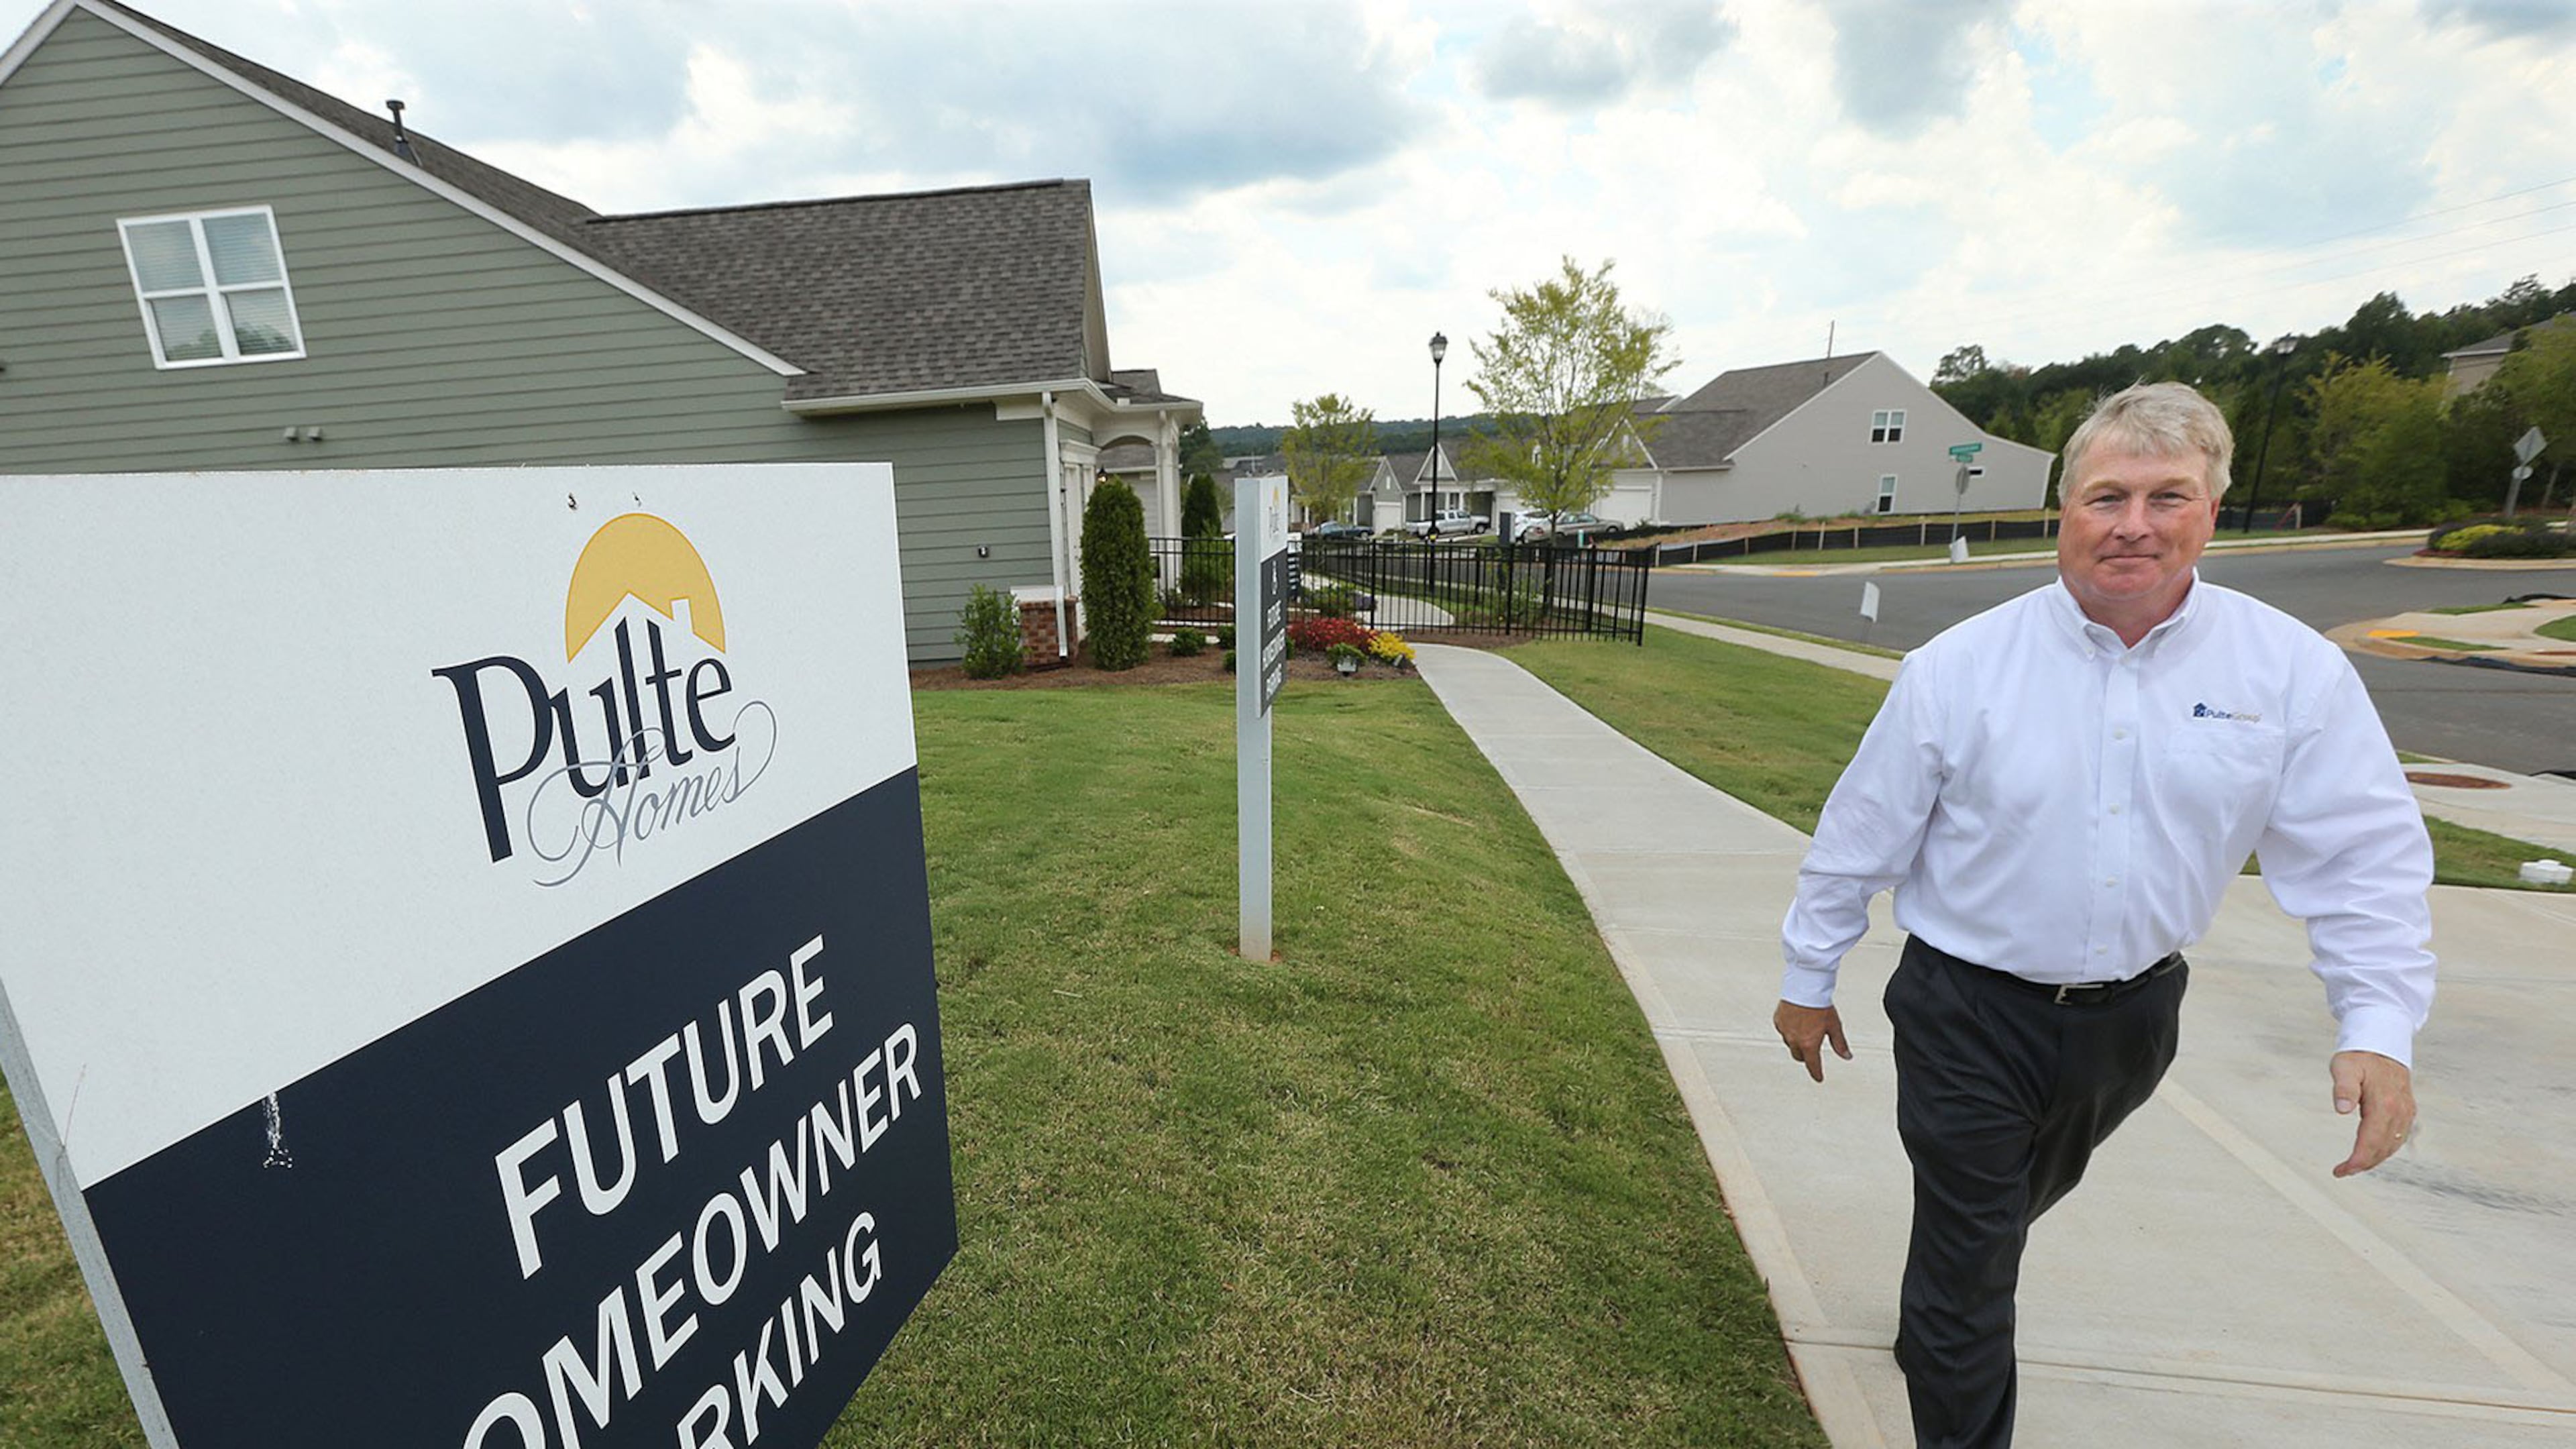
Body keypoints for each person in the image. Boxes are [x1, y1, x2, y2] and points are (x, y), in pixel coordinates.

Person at [1772, 380, 2434, 1449]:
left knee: (1987, 1229)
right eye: (2106, 497)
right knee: (1975, 1261)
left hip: (2131, 1025)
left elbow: (2365, 861)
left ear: (2212, 511)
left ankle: (1946, 1292)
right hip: (1964, 1010)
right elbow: (1859, 840)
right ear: (2064, 512)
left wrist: (2379, 1029)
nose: (2134, 526)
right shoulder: (1959, 671)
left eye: (2167, 497)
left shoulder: (2291, 674)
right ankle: (1953, 1354)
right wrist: (1809, 980)